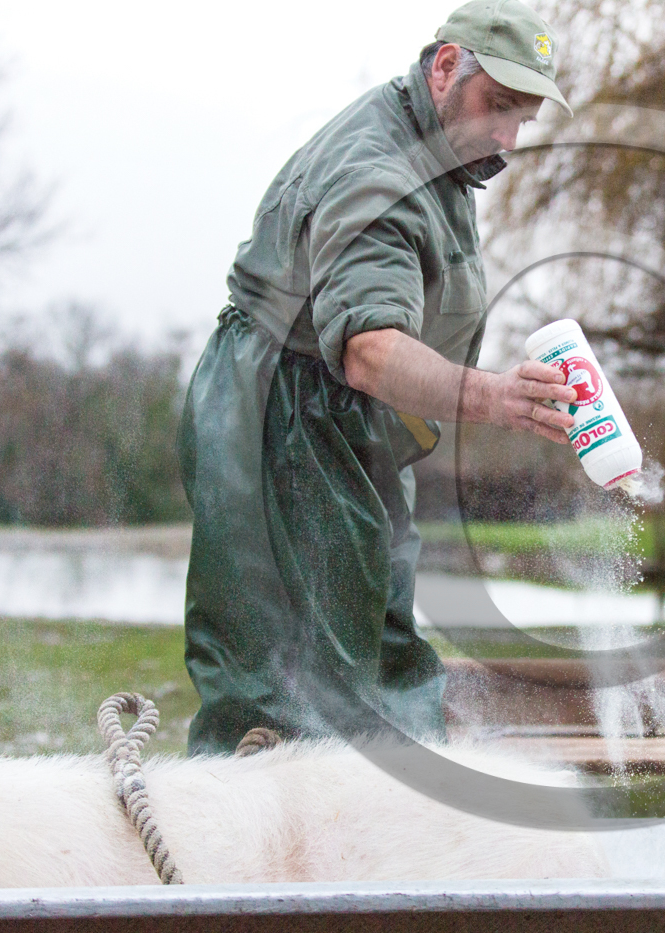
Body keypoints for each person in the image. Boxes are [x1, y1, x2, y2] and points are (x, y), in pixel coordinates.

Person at [179, 0, 576, 754]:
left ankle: (398, 841)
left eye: (521, 119)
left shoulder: (440, 151)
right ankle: (249, 858)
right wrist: (492, 395)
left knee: (385, 651)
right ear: (445, 66)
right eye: (498, 107)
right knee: (292, 689)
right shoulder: (379, 171)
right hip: (286, 414)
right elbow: (368, 349)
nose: (506, 137)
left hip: (349, 422)